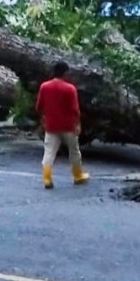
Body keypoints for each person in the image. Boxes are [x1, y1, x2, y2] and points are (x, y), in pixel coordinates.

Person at [35, 61, 89, 189]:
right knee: (74, 151)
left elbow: (39, 106)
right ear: (65, 73)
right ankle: (78, 175)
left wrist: (43, 119)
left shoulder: (44, 87)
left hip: (51, 125)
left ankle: (47, 179)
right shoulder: (70, 88)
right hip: (68, 126)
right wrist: (78, 124)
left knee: (49, 152)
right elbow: (75, 109)